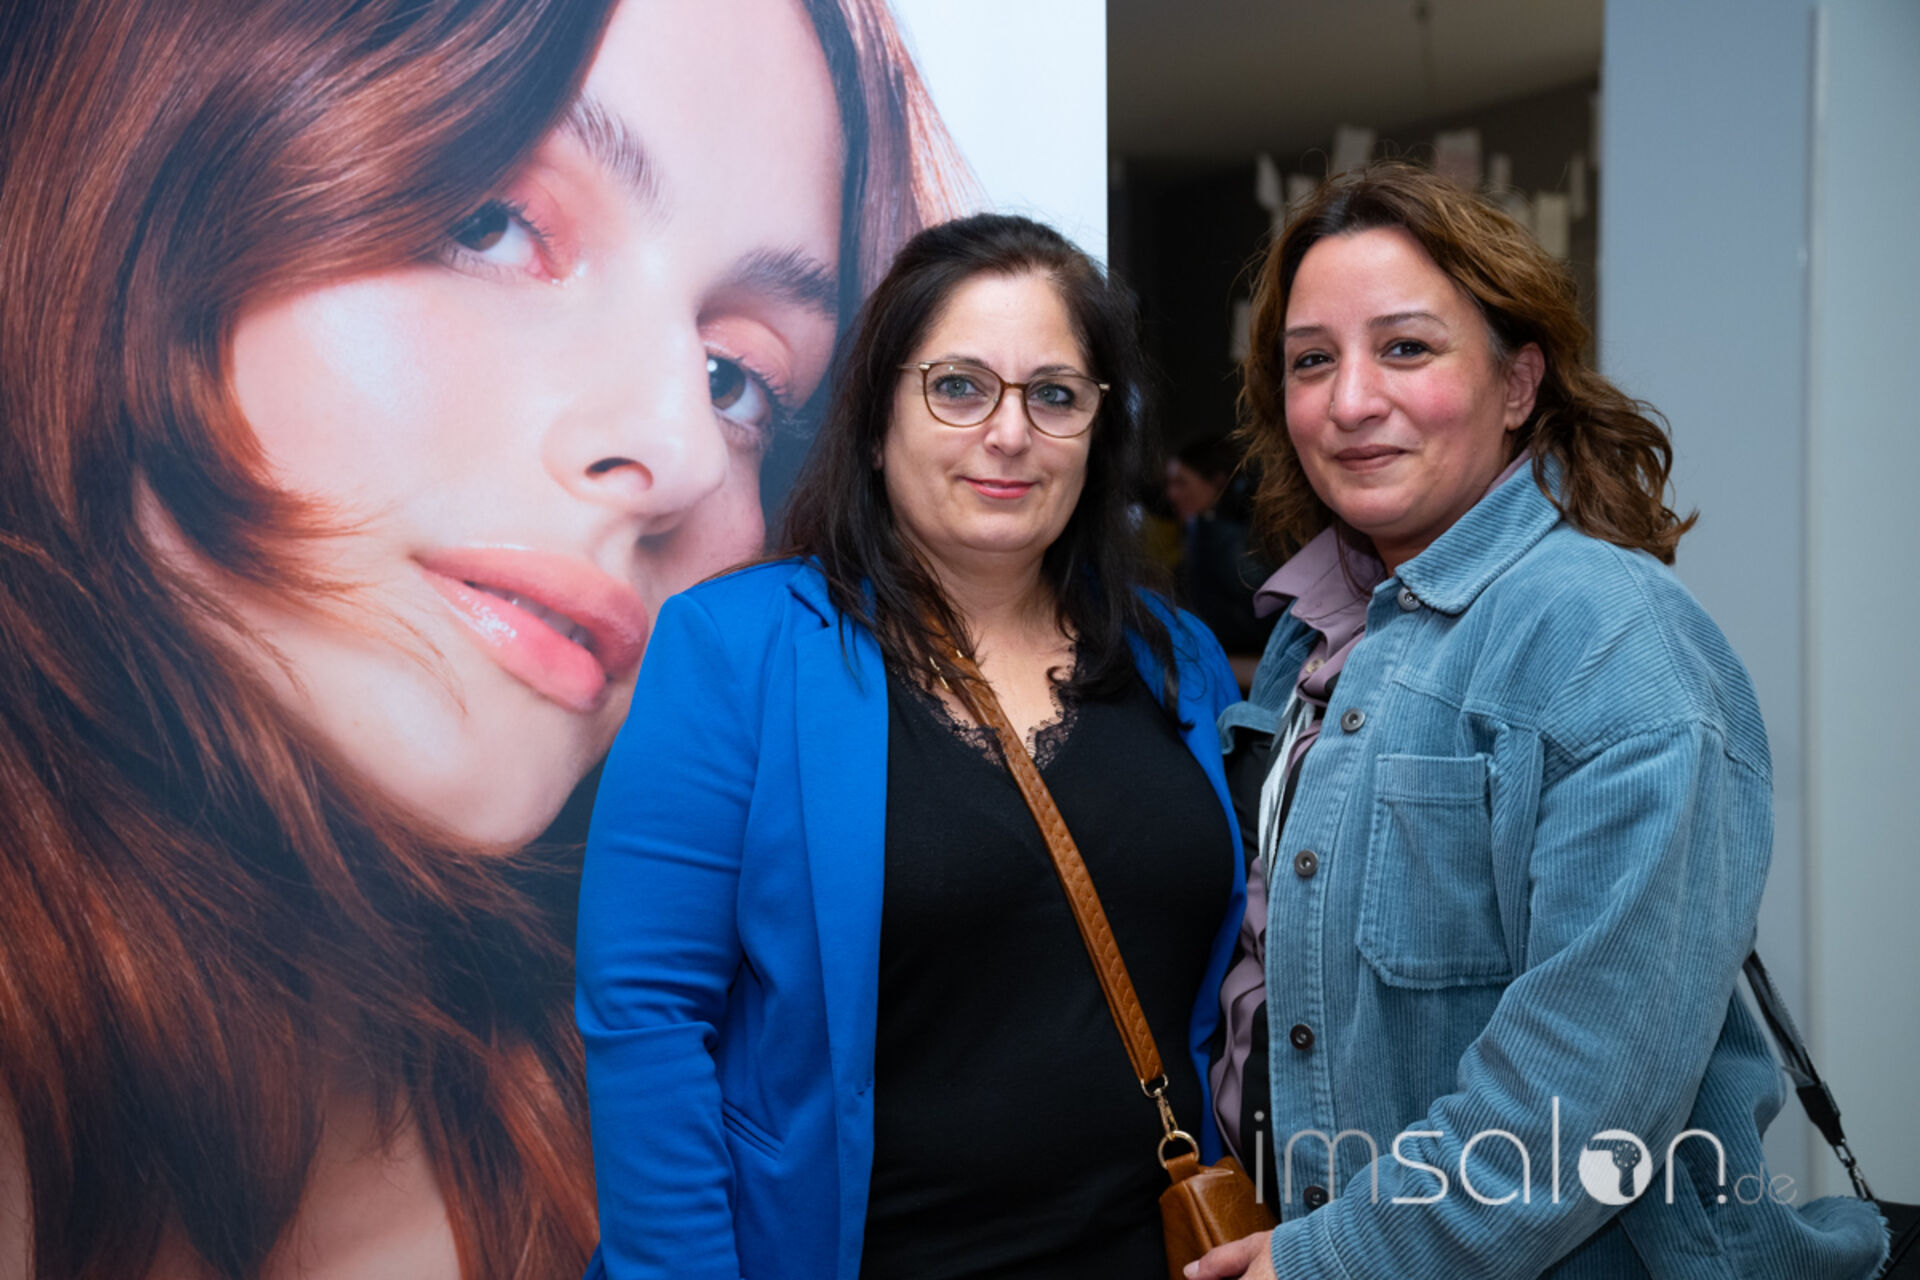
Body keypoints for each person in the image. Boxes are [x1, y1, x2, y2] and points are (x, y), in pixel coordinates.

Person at [0, 1, 966, 1275]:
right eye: (491, 223)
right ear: (130, 155)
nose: (682, 449)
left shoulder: (689, 1121)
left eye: (738, 379)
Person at [1191, 163, 1887, 1279]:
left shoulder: (1607, 637)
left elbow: (1588, 1088)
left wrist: (1332, 1258)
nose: (1351, 399)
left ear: (1519, 382)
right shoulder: (1310, 636)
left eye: (1406, 348)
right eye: (1312, 360)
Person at [576, 213, 1248, 1280]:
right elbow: (646, 1017)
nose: (1010, 432)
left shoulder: (1182, 660)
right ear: (879, 418)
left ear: (1097, 430)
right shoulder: (737, 649)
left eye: (1055, 395)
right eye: (959, 387)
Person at [1166, 435, 1274, 678]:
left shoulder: (1231, 540)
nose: (1171, 494)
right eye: (1170, 484)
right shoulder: (1201, 533)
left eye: (1182, 483)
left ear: (1217, 482)